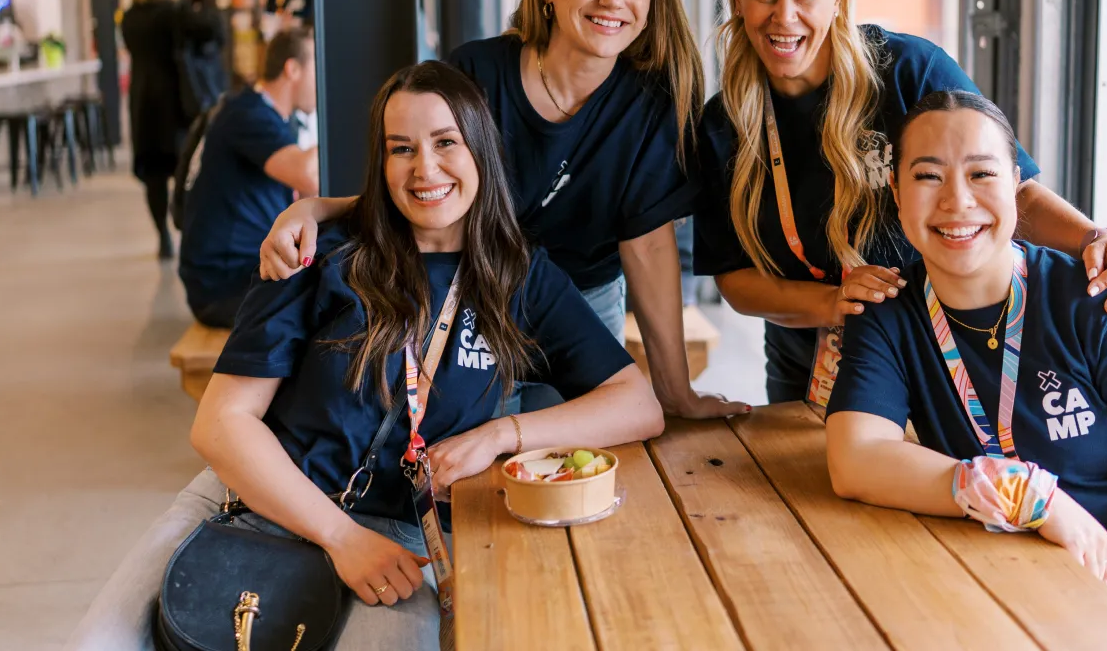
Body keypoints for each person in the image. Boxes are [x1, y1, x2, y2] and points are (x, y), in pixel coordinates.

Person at [65, 60, 663, 651]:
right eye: (401, 148)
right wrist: (337, 535)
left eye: (446, 143)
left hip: (397, 532)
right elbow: (221, 424)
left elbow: (636, 404)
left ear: (481, 148)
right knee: (98, 642)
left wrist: (503, 434)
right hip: (254, 499)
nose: (424, 168)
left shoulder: (521, 277)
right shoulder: (318, 251)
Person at [260, 0, 744, 420]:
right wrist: (316, 210)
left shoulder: (655, 101)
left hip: (584, 302)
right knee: (465, 458)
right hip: (474, 298)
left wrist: (676, 392)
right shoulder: (476, 72)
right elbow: (425, 190)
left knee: (583, 459)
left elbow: (647, 246)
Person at [693, 0, 1107, 403]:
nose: (785, 17)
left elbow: (1009, 193)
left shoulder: (908, 71)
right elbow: (735, 278)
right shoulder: (724, 124)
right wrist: (833, 302)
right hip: (804, 360)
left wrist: (1096, 241)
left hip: (931, 342)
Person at [825, 89, 1107, 650]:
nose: (956, 201)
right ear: (895, 192)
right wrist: (1018, 491)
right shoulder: (887, 312)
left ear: (1017, 186)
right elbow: (856, 459)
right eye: (928, 176)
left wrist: (1105, 623)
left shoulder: (1101, 300)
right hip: (1016, 552)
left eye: (981, 173)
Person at [179, 27, 319, 328]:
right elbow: (308, 176)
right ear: (292, 69)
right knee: (331, 298)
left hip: (239, 271)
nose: (323, 80)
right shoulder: (248, 114)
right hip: (223, 285)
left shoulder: (261, 112)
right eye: (317, 67)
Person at [120, 0, 221, 259]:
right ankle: (189, 232)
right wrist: (202, 4)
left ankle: (163, 236)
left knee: (153, 175)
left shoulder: (129, 18)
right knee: (186, 169)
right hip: (176, 104)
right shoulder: (174, 13)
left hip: (143, 102)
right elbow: (212, 31)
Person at [178, 0, 229, 114]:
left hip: (196, 61)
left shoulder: (186, 14)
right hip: (211, 59)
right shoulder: (211, 14)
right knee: (214, 95)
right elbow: (221, 37)